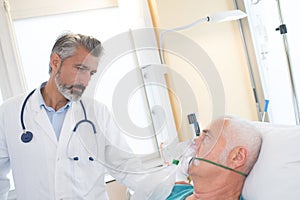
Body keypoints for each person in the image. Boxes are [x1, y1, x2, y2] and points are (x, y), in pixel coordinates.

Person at [0, 33, 143, 199]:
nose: (85, 81)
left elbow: (127, 166)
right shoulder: (9, 113)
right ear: (55, 62)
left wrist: (164, 185)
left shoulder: (98, 113)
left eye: (91, 73)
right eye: (80, 69)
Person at [166, 116, 262, 200]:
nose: (195, 141)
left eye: (207, 138)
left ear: (237, 157)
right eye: (199, 136)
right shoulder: (171, 190)